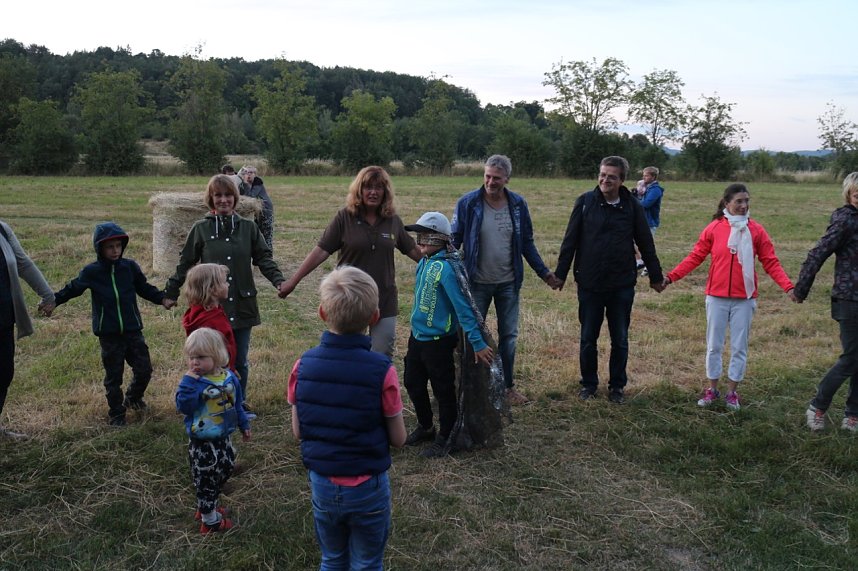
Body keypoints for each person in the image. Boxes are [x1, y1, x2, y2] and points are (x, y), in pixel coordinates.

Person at [286, 266, 406, 568]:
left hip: (323, 483)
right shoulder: (383, 371)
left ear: (322, 313)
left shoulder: (302, 366)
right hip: (368, 487)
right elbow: (399, 439)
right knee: (366, 562)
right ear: (375, 317)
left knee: (332, 558)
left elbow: (298, 432)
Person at [663, 183, 795, 411]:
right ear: (727, 204)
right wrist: (671, 277)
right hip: (716, 297)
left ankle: (732, 392)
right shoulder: (714, 228)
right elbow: (695, 257)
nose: (744, 206)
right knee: (714, 345)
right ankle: (712, 388)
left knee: (739, 347)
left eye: (746, 201)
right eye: (739, 202)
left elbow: (770, 262)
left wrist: (788, 287)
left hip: (744, 298)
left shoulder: (756, 230)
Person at [164, 174, 288, 410]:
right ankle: (209, 402)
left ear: (235, 197)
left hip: (242, 304)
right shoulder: (200, 229)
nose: (223, 200)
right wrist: (171, 291)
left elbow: (264, 259)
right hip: (211, 309)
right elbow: (185, 262)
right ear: (210, 198)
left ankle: (237, 403)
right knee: (209, 357)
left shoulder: (249, 228)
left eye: (228, 195)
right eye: (218, 195)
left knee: (239, 360)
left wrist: (279, 281)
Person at [554, 156, 664, 404]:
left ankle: (617, 387)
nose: (605, 180)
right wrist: (560, 274)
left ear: (622, 180)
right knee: (587, 338)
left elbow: (646, 243)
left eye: (611, 176)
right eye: (602, 175)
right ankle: (589, 385)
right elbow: (570, 241)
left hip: (621, 285)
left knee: (620, 339)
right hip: (590, 283)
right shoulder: (585, 202)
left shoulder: (632, 206)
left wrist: (655, 276)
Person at [451, 154, 560, 405]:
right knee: (472, 334)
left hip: (508, 283)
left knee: (508, 336)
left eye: (496, 178)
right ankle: (471, 388)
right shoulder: (468, 203)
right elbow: (454, 241)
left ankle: (507, 388)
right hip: (476, 282)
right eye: (487, 176)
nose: (490, 182)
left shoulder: (518, 205)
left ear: (507, 179)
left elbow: (527, 244)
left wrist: (544, 273)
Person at [280, 166, 421, 357]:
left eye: (378, 187)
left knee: (382, 352)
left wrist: (442, 263)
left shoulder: (392, 220)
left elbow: (413, 250)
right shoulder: (344, 218)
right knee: (348, 353)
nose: (373, 192)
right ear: (359, 190)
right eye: (368, 187)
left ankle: (378, 386)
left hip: (384, 298)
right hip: (350, 298)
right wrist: (293, 282)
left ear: (385, 191)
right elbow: (321, 251)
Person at [50, 222, 169, 426]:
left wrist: (162, 298)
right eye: (109, 247)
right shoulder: (92, 272)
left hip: (133, 331)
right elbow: (73, 288)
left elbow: (144, 288)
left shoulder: (130, 267)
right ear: (99, 249)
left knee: (144, 369)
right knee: (114, 377)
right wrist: (54, 300)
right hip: (109, 334)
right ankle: (116, 414)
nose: (115, 251)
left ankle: (133, 398)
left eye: (118, 246)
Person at [403, 212, 494, 458]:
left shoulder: (447, 269)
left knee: (443, 391)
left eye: (425, 235)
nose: (419, 240)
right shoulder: (424, 262)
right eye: (418, 234)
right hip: (417, 339)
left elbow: (463, 308)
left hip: (439, 343)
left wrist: (477, 341)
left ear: (440, 238)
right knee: (412, 381)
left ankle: (446, 437)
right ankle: (426, 427)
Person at [793, 172, 858, 432]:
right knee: (851, 358)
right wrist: (801, 288)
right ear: (849, 195)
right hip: (849, 297)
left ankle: (853, 413)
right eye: (857, 194)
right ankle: (817, 406)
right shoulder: (845, 220)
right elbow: (818, 253)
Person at [176, 327, 251, 534]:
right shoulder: (194, 383)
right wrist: (188, 384)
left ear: (217, 356)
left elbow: (237, 404)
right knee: (206, 478)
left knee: (226, 467)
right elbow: (183, 406)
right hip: (202, 442)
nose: (194, 363)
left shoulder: (229, 378)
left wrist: (244, 424)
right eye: (191, 357)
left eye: (200, 357)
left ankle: (208, 503)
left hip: (224, 437)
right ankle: (210, 521)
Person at [0, 220, 55, 439]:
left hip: (4, 319)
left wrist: (48, 294)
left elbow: (22, 263)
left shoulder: (2, 229)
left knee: (4, 374)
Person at [182, 263, 236, 373]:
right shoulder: (210, 321)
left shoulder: (207, 312)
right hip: (215, 374)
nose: (228, 285)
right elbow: (215, 351)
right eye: (224, 282)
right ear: (212, 289)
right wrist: (227, 369)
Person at [634, 166, 665, 276]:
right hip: (641, 220)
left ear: (653, 177)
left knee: (646, 246)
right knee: (631, 241)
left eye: (646, 175)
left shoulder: (655, 190)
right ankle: (639, 261)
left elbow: (646, 204)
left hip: (650, 221)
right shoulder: (643, 187)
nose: (644, 177)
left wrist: (634, 201)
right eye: (643, 175)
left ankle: (649, 267)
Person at [237, 165, 274, 251]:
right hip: (253, 213)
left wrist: (246, 184)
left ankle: (268, 256)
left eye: (251, 172)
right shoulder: (241, 184)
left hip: (265, 211)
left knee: (266, 236)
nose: (248, 175)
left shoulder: (258, 182)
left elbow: (251, 197)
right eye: (246, 172)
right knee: (255, 235)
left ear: (255, 174)